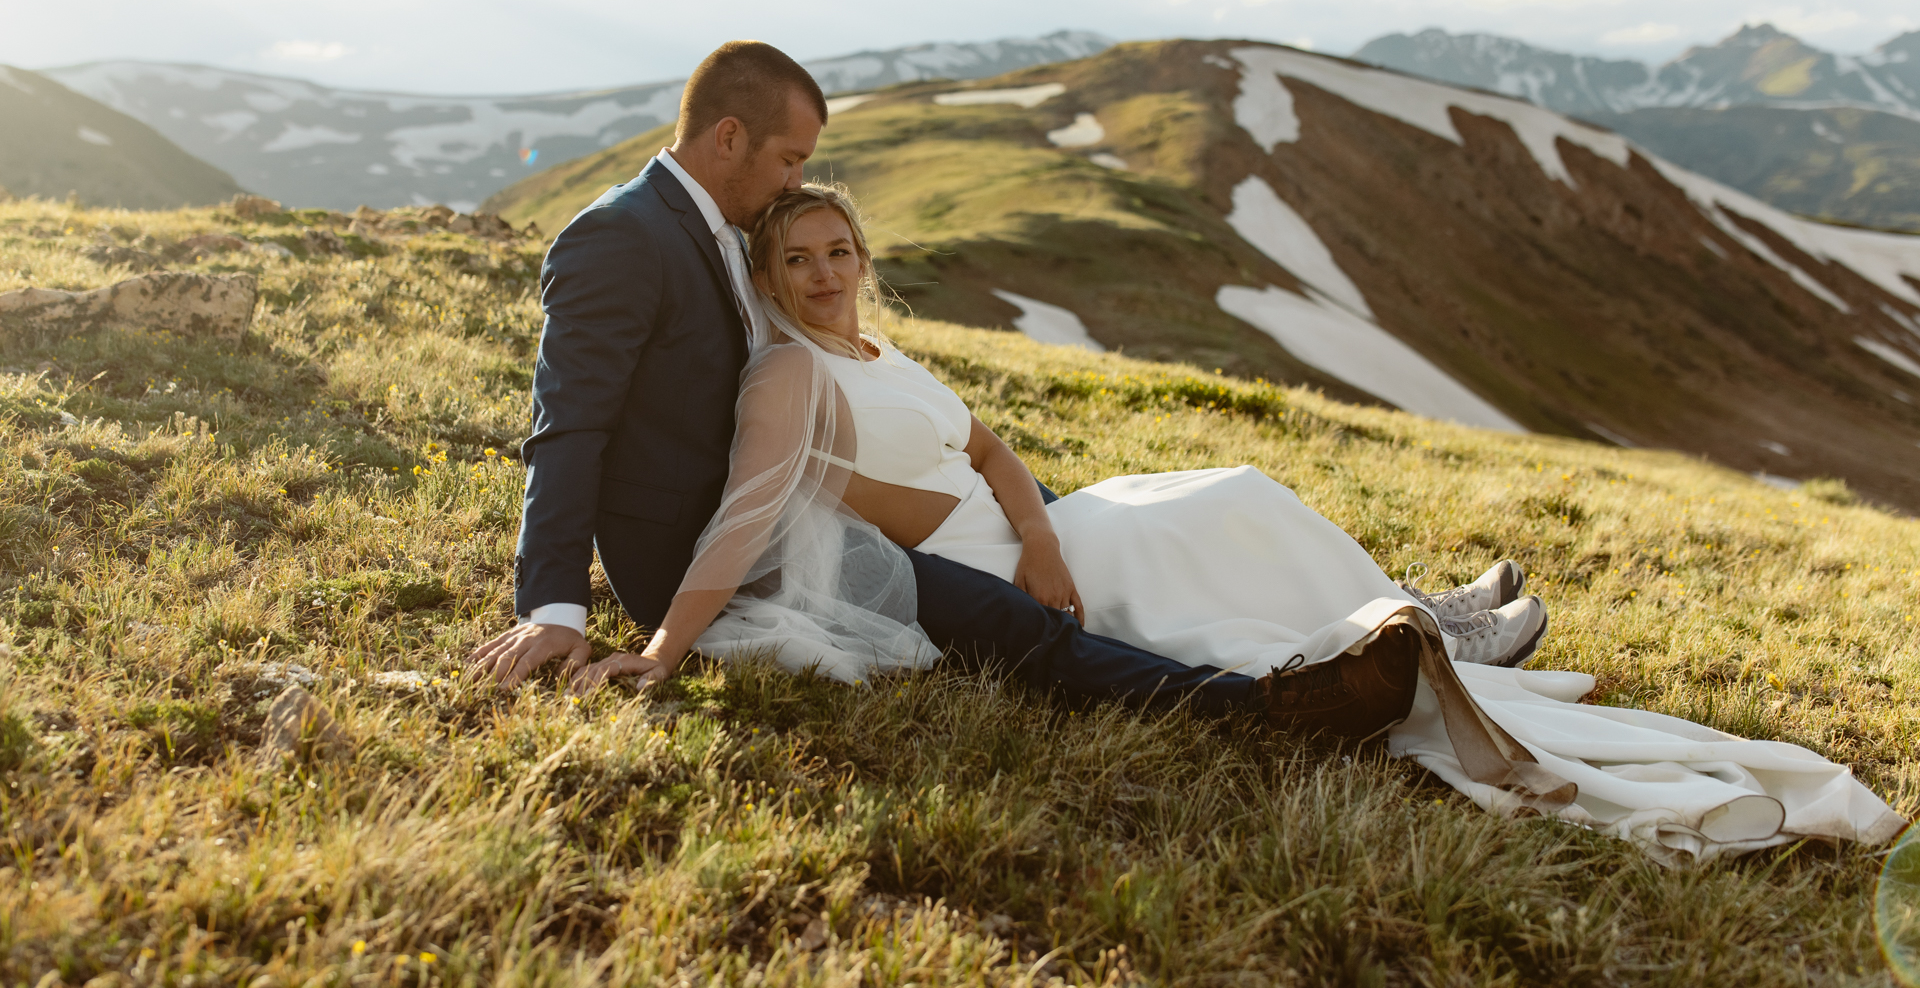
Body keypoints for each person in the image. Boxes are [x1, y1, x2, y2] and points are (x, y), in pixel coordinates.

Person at [545, 174, 1906, 863]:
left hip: (1037, 531)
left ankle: (1432, 619)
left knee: (1227, 490)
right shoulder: (786, 376)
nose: (828, 273)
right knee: (1223, 509)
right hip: (965, 562)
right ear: (773, 278)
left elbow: (994, 449)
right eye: (801, 260)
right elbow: (753, 515)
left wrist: (1042, 534)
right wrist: (663, 647)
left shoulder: (882, 351)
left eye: (841, 252)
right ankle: (1425, 640)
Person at [471, 39, 1431, 742]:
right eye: (788, 161)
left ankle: (1385, 618)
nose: (795, 182)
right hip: (725, 539)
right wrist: (555, 609)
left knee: (1111, 521)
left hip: (822, 496)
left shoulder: (735, 232)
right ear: (730, 137)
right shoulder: (618, 237)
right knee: (1015, 622)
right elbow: (569, 428)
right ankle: (1258, 707)